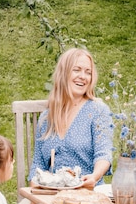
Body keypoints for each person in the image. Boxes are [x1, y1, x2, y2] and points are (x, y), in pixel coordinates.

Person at [30, 48, 113, 189]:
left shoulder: (97, 111)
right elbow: (38, 163)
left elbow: (104, 153)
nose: (83, 76)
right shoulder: (47, 117)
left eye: (88, 72)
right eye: (77, 70)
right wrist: (35, 190)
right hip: (49, 194)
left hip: (85, 193)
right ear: (64, 73)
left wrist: (95, 176)